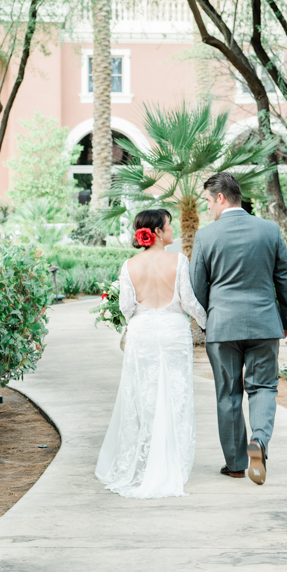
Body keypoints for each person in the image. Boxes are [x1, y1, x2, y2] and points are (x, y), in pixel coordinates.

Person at [190, 172, 287, 485]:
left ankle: (236, 464)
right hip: (264, 324)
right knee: (263, 387)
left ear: (221, 197)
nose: (208, 208)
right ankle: (259, 441)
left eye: (209, 201)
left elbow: (197, 288)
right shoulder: (269, 230)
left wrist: (207, 324)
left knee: (228, 394)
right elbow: (284, 279)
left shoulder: (206, 237)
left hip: (223, 327)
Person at [96, 209, 207, 498]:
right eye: (169, 225)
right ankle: (171, 463)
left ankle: (143, 465)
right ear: (157, 232)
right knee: (175, 396)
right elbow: (189, 303)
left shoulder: (129, 264)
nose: (172, 230)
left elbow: (125, 307)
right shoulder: (178, 260)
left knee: (143, 397)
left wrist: (141, 319)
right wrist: (208, 325)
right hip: (173, 332)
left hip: (142, 333)